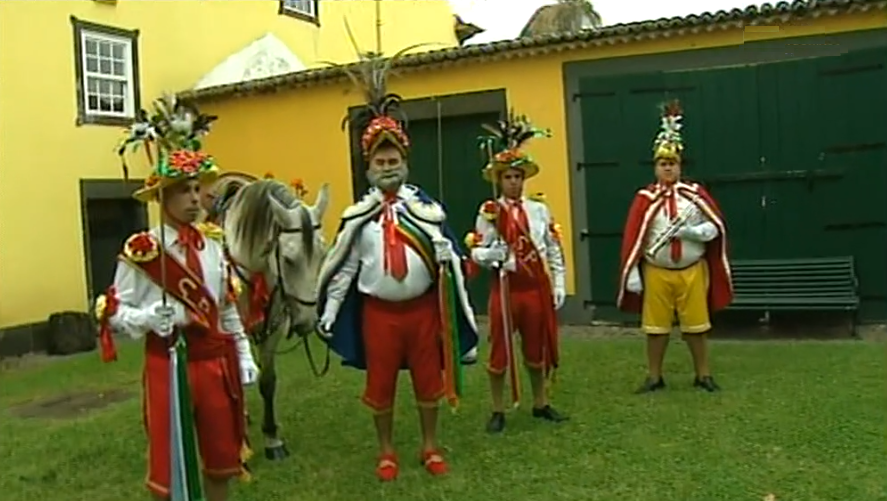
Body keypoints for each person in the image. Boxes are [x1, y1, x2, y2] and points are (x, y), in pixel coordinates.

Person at [316, 57, 479, 481]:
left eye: (393, 162)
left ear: (404, 163)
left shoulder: (428, 210)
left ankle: (429, 445)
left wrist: (448, 257)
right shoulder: (359, 216)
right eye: (379, 163)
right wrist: (331, 311)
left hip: (422, 312)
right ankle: (386, 450)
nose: (387, 169)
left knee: (429, 380)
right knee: (381, 383)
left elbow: (456, 265)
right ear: (369, 169)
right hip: (379, 315)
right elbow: (344, 269)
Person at [95, 97, 259, 501]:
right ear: (162, 197)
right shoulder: (144, 250)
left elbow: (225, 306)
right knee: (169, 467)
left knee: (221, 461)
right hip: (167, 362)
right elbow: (112, 312)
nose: (193, 199)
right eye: (181, 191)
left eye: (195, 189)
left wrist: (243, 354)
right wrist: (149, 317)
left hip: (214, 362)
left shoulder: (214, 244)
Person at [616, 100, 733, 394]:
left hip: (692, 270)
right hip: (658, 271)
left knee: (697, 327)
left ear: (680, 165)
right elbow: (635, 237)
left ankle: (702, 374)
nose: (668, 168)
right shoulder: (644, 197)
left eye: (673, 163)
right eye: (663, 163)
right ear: (656, 167)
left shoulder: (694, 196)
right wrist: (632, 273)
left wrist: (690, 231)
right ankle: (654, 376)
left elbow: (714, 228)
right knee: (656, 329)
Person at [465, 113, 568, 433]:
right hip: (506, 289)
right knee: (499, 351)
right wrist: (493, 256)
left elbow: (552, 247)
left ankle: (541, 403)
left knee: (535, 348)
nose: (514, 181)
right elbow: (476, 251)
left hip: (535, 287)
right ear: (499, 179)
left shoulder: (539, 210)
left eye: (518, 176)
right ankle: (497, 409)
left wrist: (559, 282)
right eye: (508, 176)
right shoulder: (490, 212)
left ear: (525, 178)